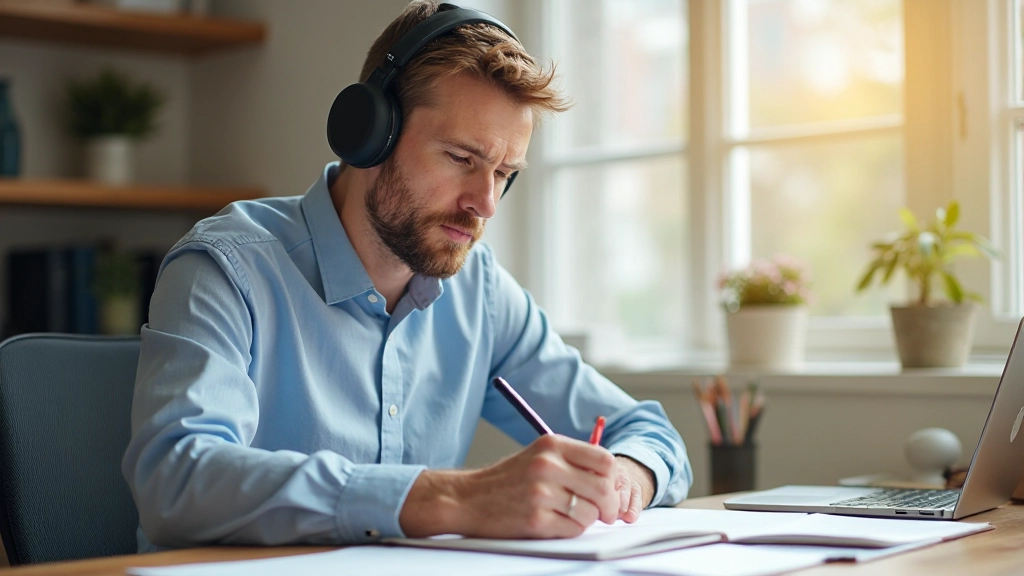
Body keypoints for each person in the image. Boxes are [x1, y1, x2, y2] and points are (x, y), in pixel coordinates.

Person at [122, 0, 692, 551]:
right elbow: (175, 479)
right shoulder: (227, 268)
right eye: (462, 159)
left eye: (504, 173)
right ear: (370, 135)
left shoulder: (481, 294)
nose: (485, 203)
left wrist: (622, 478)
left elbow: (648, 432)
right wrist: (454, 497)